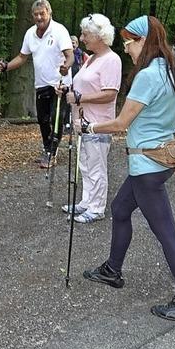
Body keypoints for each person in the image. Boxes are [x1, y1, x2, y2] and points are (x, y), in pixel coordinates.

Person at [82, 15, 175, 324]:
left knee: (167, 234)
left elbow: (122, 123)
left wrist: (90, 126)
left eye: (128, 43)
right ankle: (112, 269)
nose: (126, 49)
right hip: (161, 162)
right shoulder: (173, 71)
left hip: (147, 166)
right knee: (120, 208)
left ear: (143, 41)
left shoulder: (149, 75)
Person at [0, 0, 74, 168]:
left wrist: (66, 67)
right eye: (36, 14)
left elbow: (70, 55)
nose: (39, 17)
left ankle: (51, 152)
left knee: (56, 117)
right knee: (42, 119)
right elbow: (23, 57)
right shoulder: (30, 33)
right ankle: (47, 148)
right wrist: (7, 66)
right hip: (41, 83)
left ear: (49, 13)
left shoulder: (59, 30)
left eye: (42, 14)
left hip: (60, 83)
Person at [59, 14, 122, 224]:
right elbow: (84, 85)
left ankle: (97, 208)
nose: (82, 38)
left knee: (96, 166)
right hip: (82, 123)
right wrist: (68, 90)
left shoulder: (111, 60)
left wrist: (79, 97)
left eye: (85, 34)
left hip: (98, 123)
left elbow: (110, 93)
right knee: (85, 165)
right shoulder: (92, 58)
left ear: (99, 36)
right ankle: (87, 201)